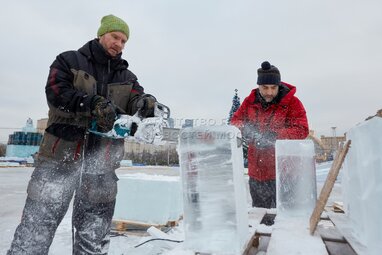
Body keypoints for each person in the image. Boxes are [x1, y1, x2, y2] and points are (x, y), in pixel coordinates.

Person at [8, 14, 157, 255]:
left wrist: (146, 102)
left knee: (93, 241)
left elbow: (136, 99)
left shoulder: (127, 77)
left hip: (102, 168)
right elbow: (56, 94)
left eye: (124, 41)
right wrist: (91, 104)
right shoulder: (68, 61)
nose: (119, 44)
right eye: (115, 36)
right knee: (34, 233)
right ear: (101, 34)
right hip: (59, 161)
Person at [231, 61, 309, 210]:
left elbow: (302, 129)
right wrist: (248, 132)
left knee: (286, 217)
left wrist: (275, 135)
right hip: (257, 175)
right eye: (265, 88)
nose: (269, 92)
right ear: (258, 86)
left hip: (284, 174)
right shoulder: (249, 102)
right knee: (260, 217)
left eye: (273, 88)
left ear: (278, 85)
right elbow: (236, 121)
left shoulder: (292, 103)